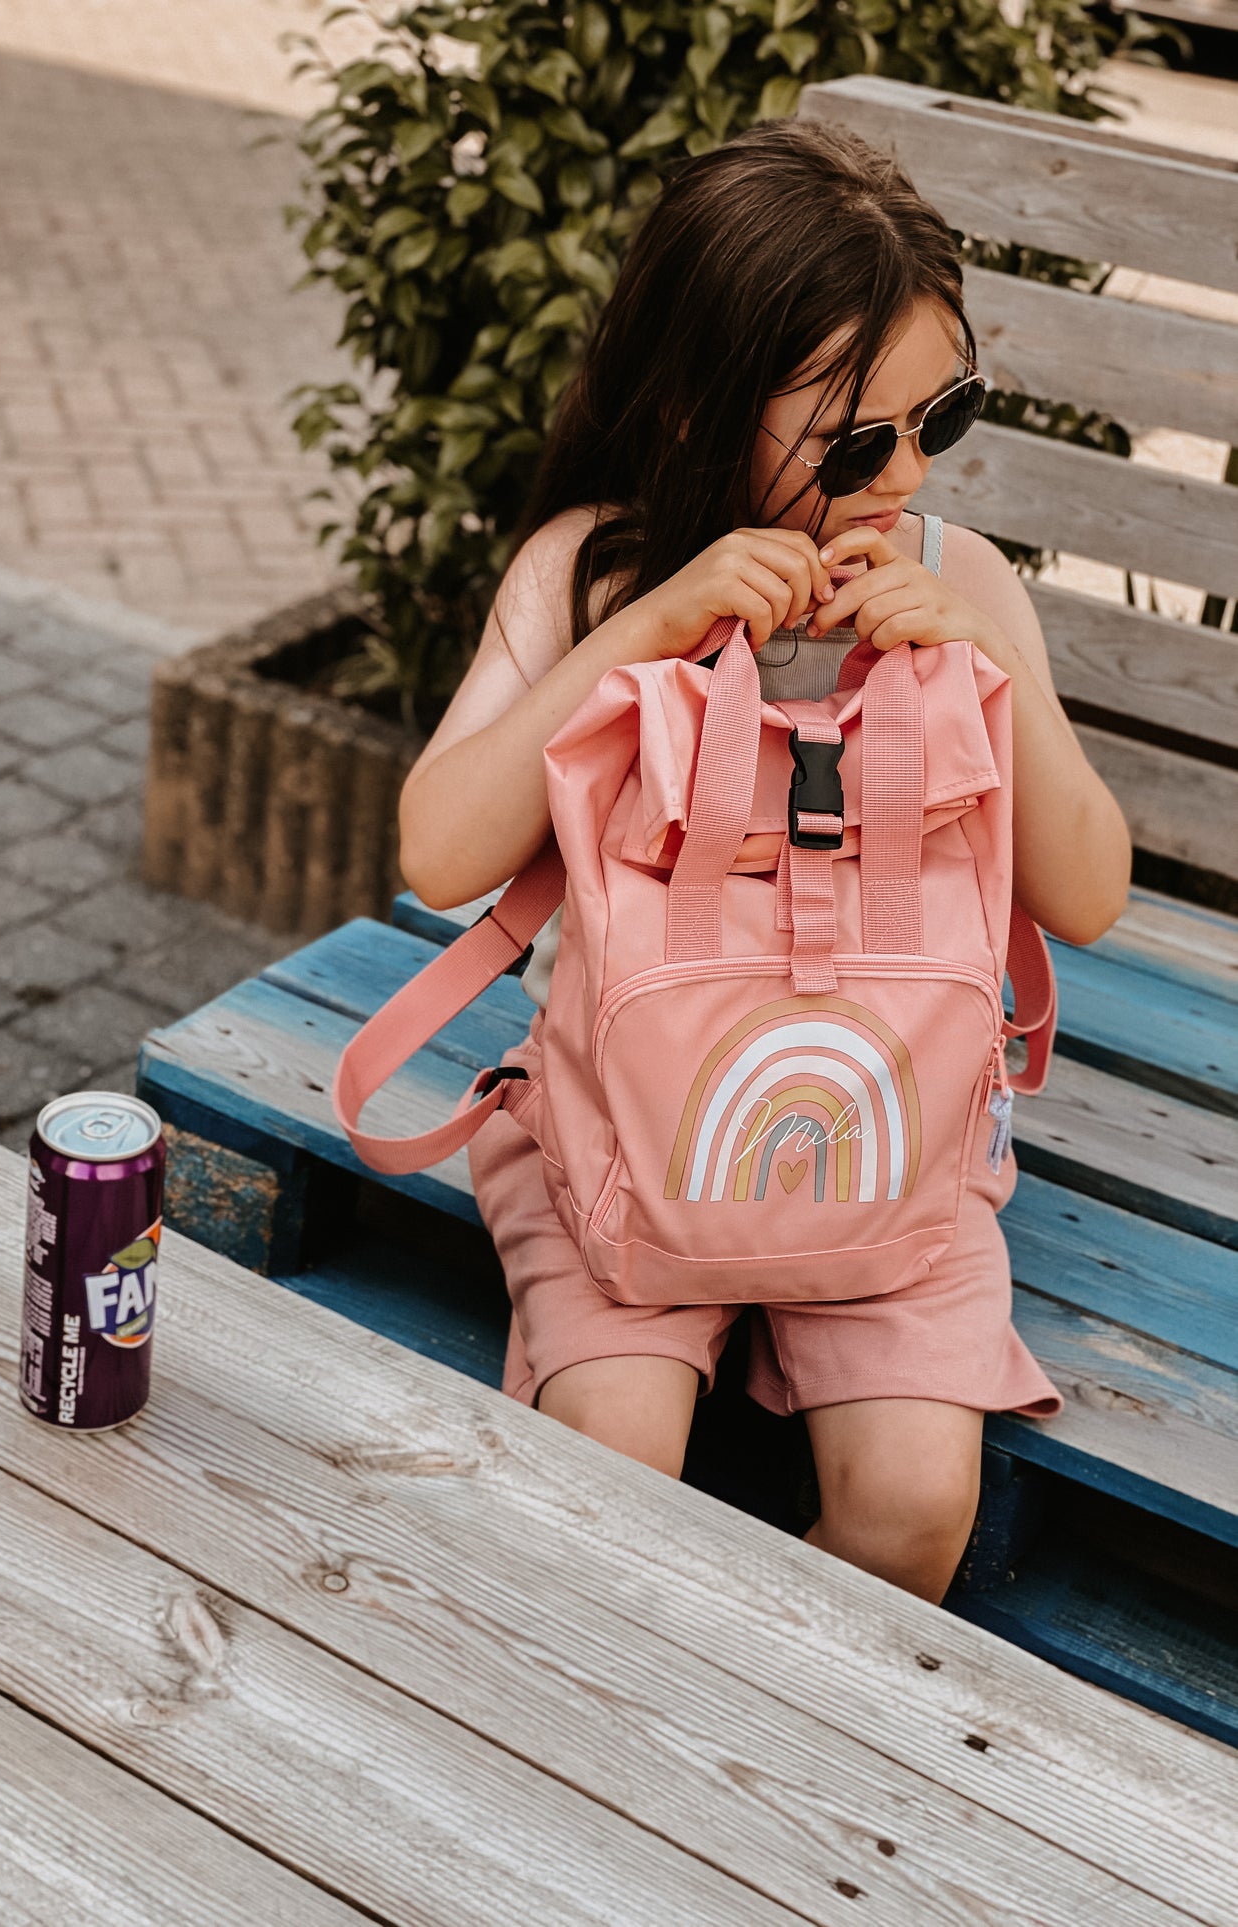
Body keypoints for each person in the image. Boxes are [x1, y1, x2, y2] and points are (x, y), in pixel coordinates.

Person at [398, 118, 1132, 1603]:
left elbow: (1089, 894)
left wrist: (989, 655)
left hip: (892, 1136)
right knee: (608, 1477)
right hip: (619, 1139)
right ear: (691, 412)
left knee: (915, 1510)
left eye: (943, 420)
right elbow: (435, 852)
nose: (901, 473)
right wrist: (638, 633)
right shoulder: (595, 570)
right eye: (855, 444)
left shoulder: (961, 577)